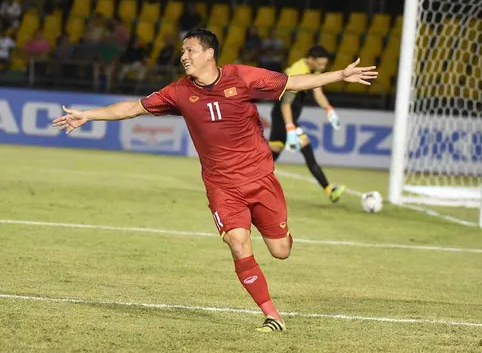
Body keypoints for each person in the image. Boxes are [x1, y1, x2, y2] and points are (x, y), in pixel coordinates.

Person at [52, 28, 376, 332]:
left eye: (189, 50)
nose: (183, 56)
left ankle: (283, 235)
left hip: (260, 178)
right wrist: (88, 115)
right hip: (222, 186)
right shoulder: (178, 92)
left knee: (280, 251)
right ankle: (271, 313)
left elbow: (293, 83)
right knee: (237, 242)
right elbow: (132, 108)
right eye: (182, 51)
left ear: (209, 54)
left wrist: (340, 75)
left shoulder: (243, 77)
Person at [269, 45, 346, 203]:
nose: (322, 68)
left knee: (270, 157)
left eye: (324, 65)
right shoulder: (298, 71)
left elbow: (318, 94)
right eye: (320, 64)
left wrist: (329, 110)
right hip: (283, 115)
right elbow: (285, 104)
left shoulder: (313, 70)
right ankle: (330, 189)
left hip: (285, 116)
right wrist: (290, 129)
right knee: (307, 148)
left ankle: (237, 180)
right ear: (311, 60)